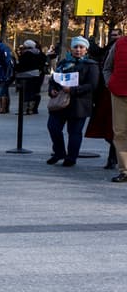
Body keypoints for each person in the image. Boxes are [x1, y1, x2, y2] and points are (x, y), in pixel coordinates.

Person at [45, 36, 101, 167]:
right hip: (60, 103)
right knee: (53, 127)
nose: (78, 50)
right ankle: (59, 152)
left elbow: (92, 85)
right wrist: (52, 90)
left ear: (86, 49)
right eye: (76, 47)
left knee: (74, 132)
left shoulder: (91, 65)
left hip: (79, 104)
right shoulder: (63, 63)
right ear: (71, 49)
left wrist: (73, 90)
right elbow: (54, 79)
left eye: (81, 47)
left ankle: (71, 157)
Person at [105, 34, 127, 182]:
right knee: (120, 133)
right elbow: (107, 67)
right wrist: (110, 84)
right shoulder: (119, 43)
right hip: (119, 93)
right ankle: (124, 170)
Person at [14, 39, 46, 115]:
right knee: (33, 92)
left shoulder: (26, 54)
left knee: (25, 92)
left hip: (26, 75)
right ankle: (31, 109)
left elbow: (21, 65)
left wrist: (16, 69)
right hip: (36, 75)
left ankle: (24, 109)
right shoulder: (39, 53)